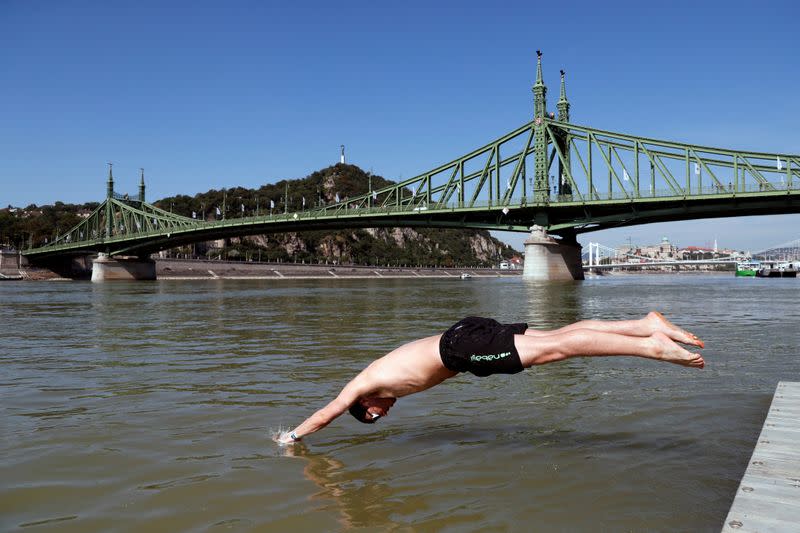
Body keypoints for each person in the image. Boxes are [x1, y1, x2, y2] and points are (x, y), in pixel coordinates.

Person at [277, 312, 704, 444]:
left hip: (461, 347)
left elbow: (326, 413)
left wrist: (291, 438)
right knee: (562, 335)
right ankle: (645, 324)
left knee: (559, 347)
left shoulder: (361, 387)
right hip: (463, 334)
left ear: (363, 405)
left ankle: (652, 347)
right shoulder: (380, 377)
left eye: (371, 416)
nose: (381, 415)